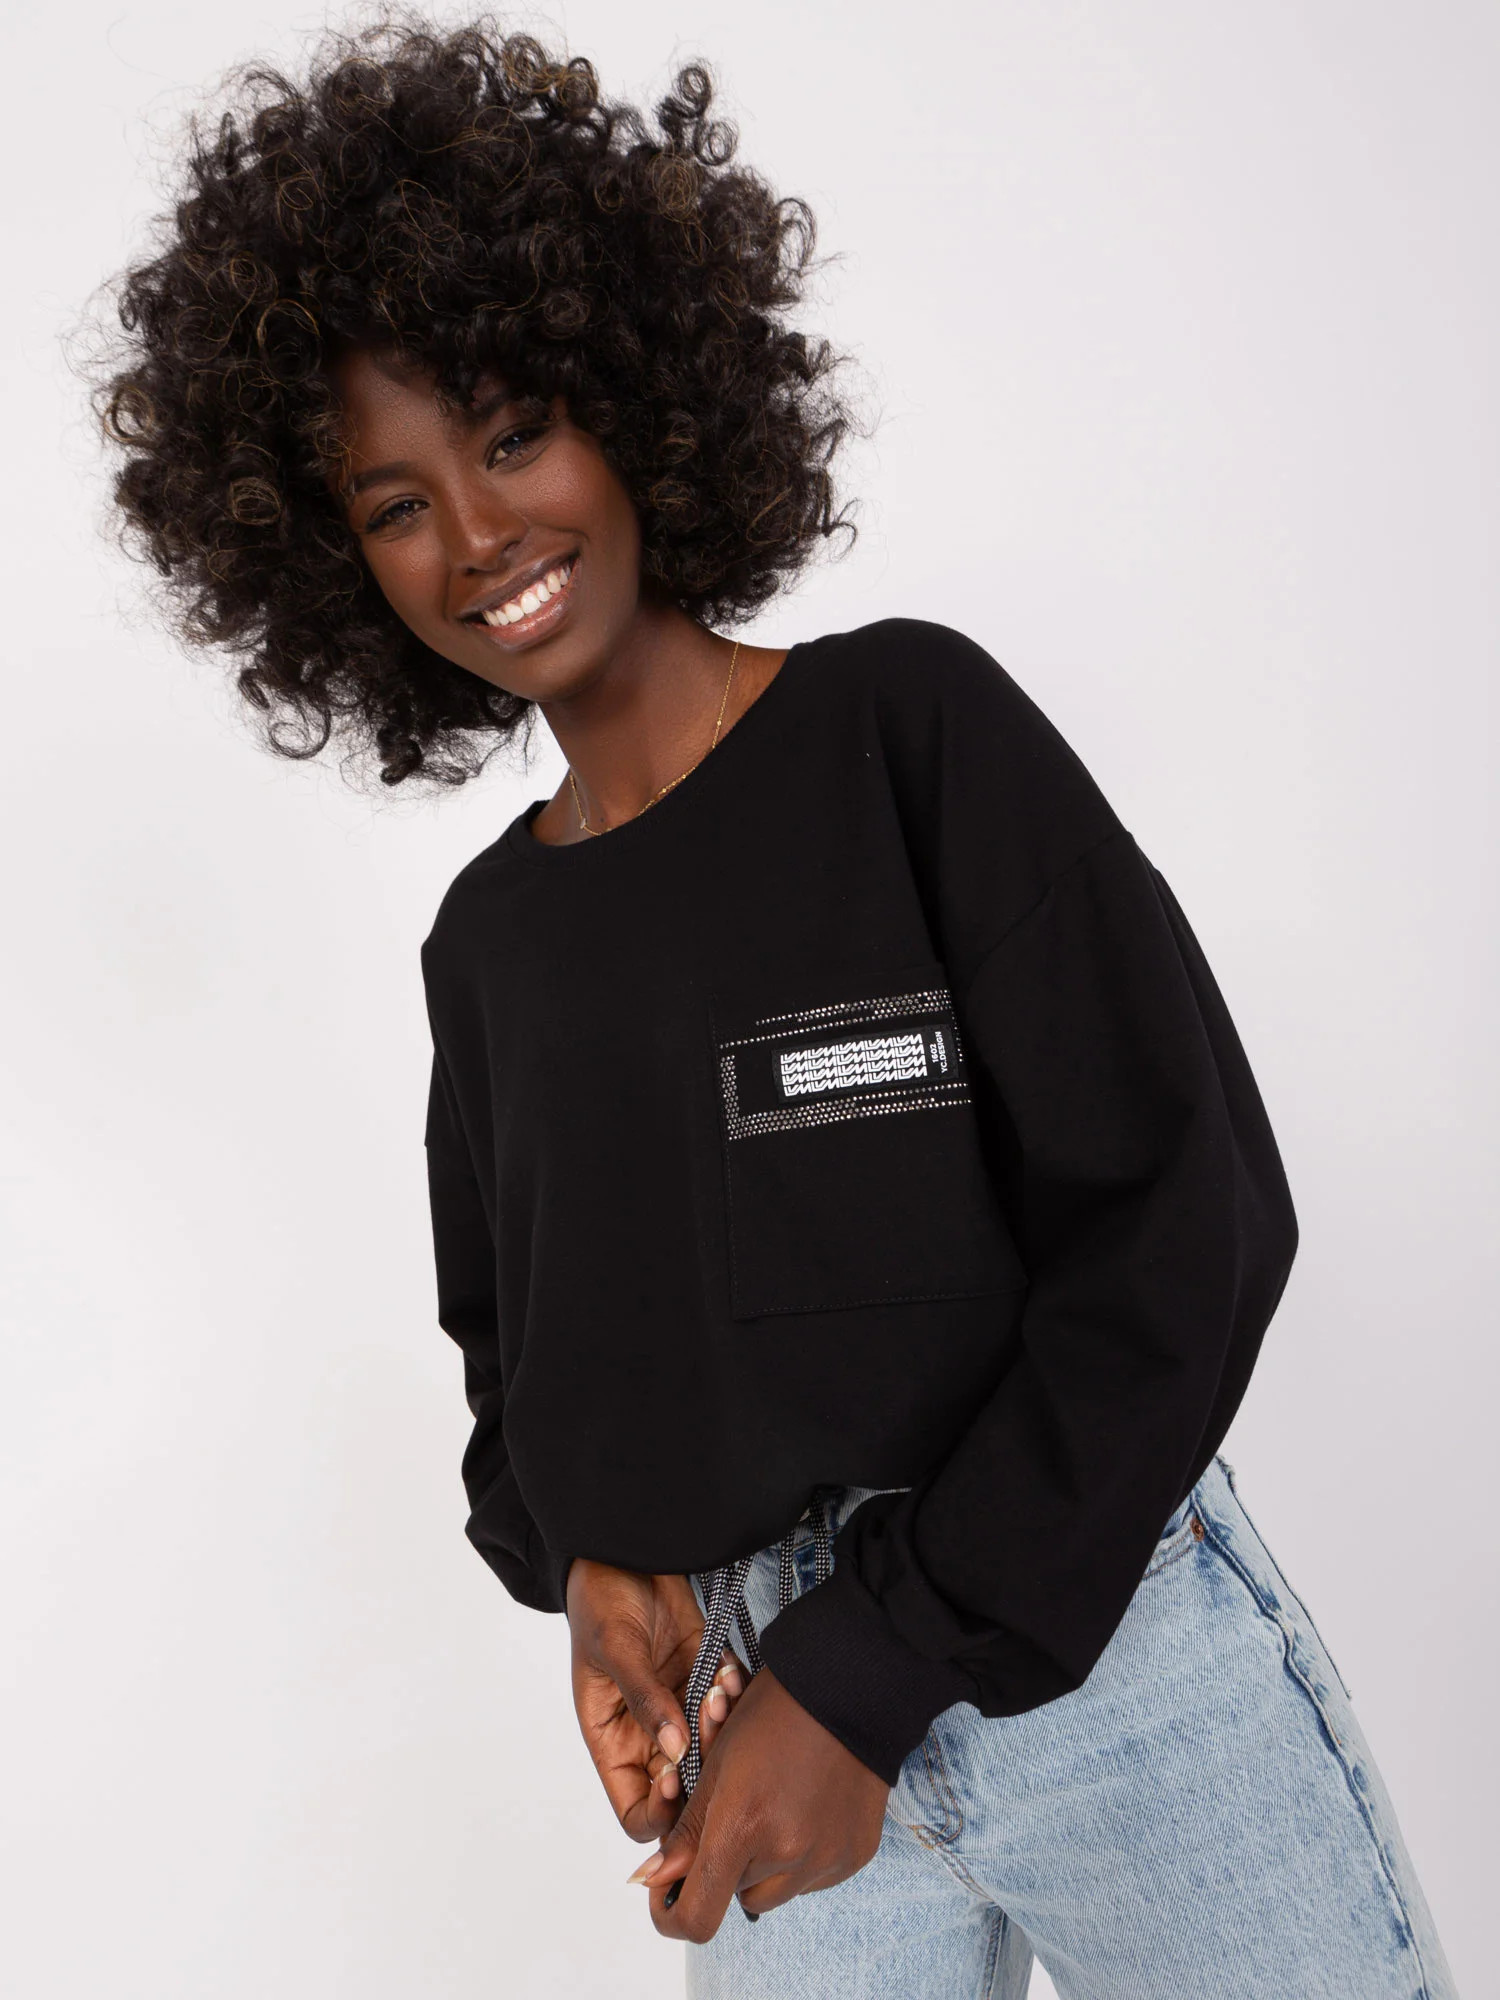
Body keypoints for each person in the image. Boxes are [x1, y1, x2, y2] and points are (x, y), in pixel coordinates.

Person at [86, 17, 1458, 1996]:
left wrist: (874, 1666)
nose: (477, 535)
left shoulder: (909, 734)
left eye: (512, 430)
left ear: (636, 390)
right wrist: (597, 1575)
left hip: (1117, 1680)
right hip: (756, 1734)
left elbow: (1189, 1223)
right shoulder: (488, 946)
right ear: (327, 564)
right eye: (393, 504)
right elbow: (523, 1378)